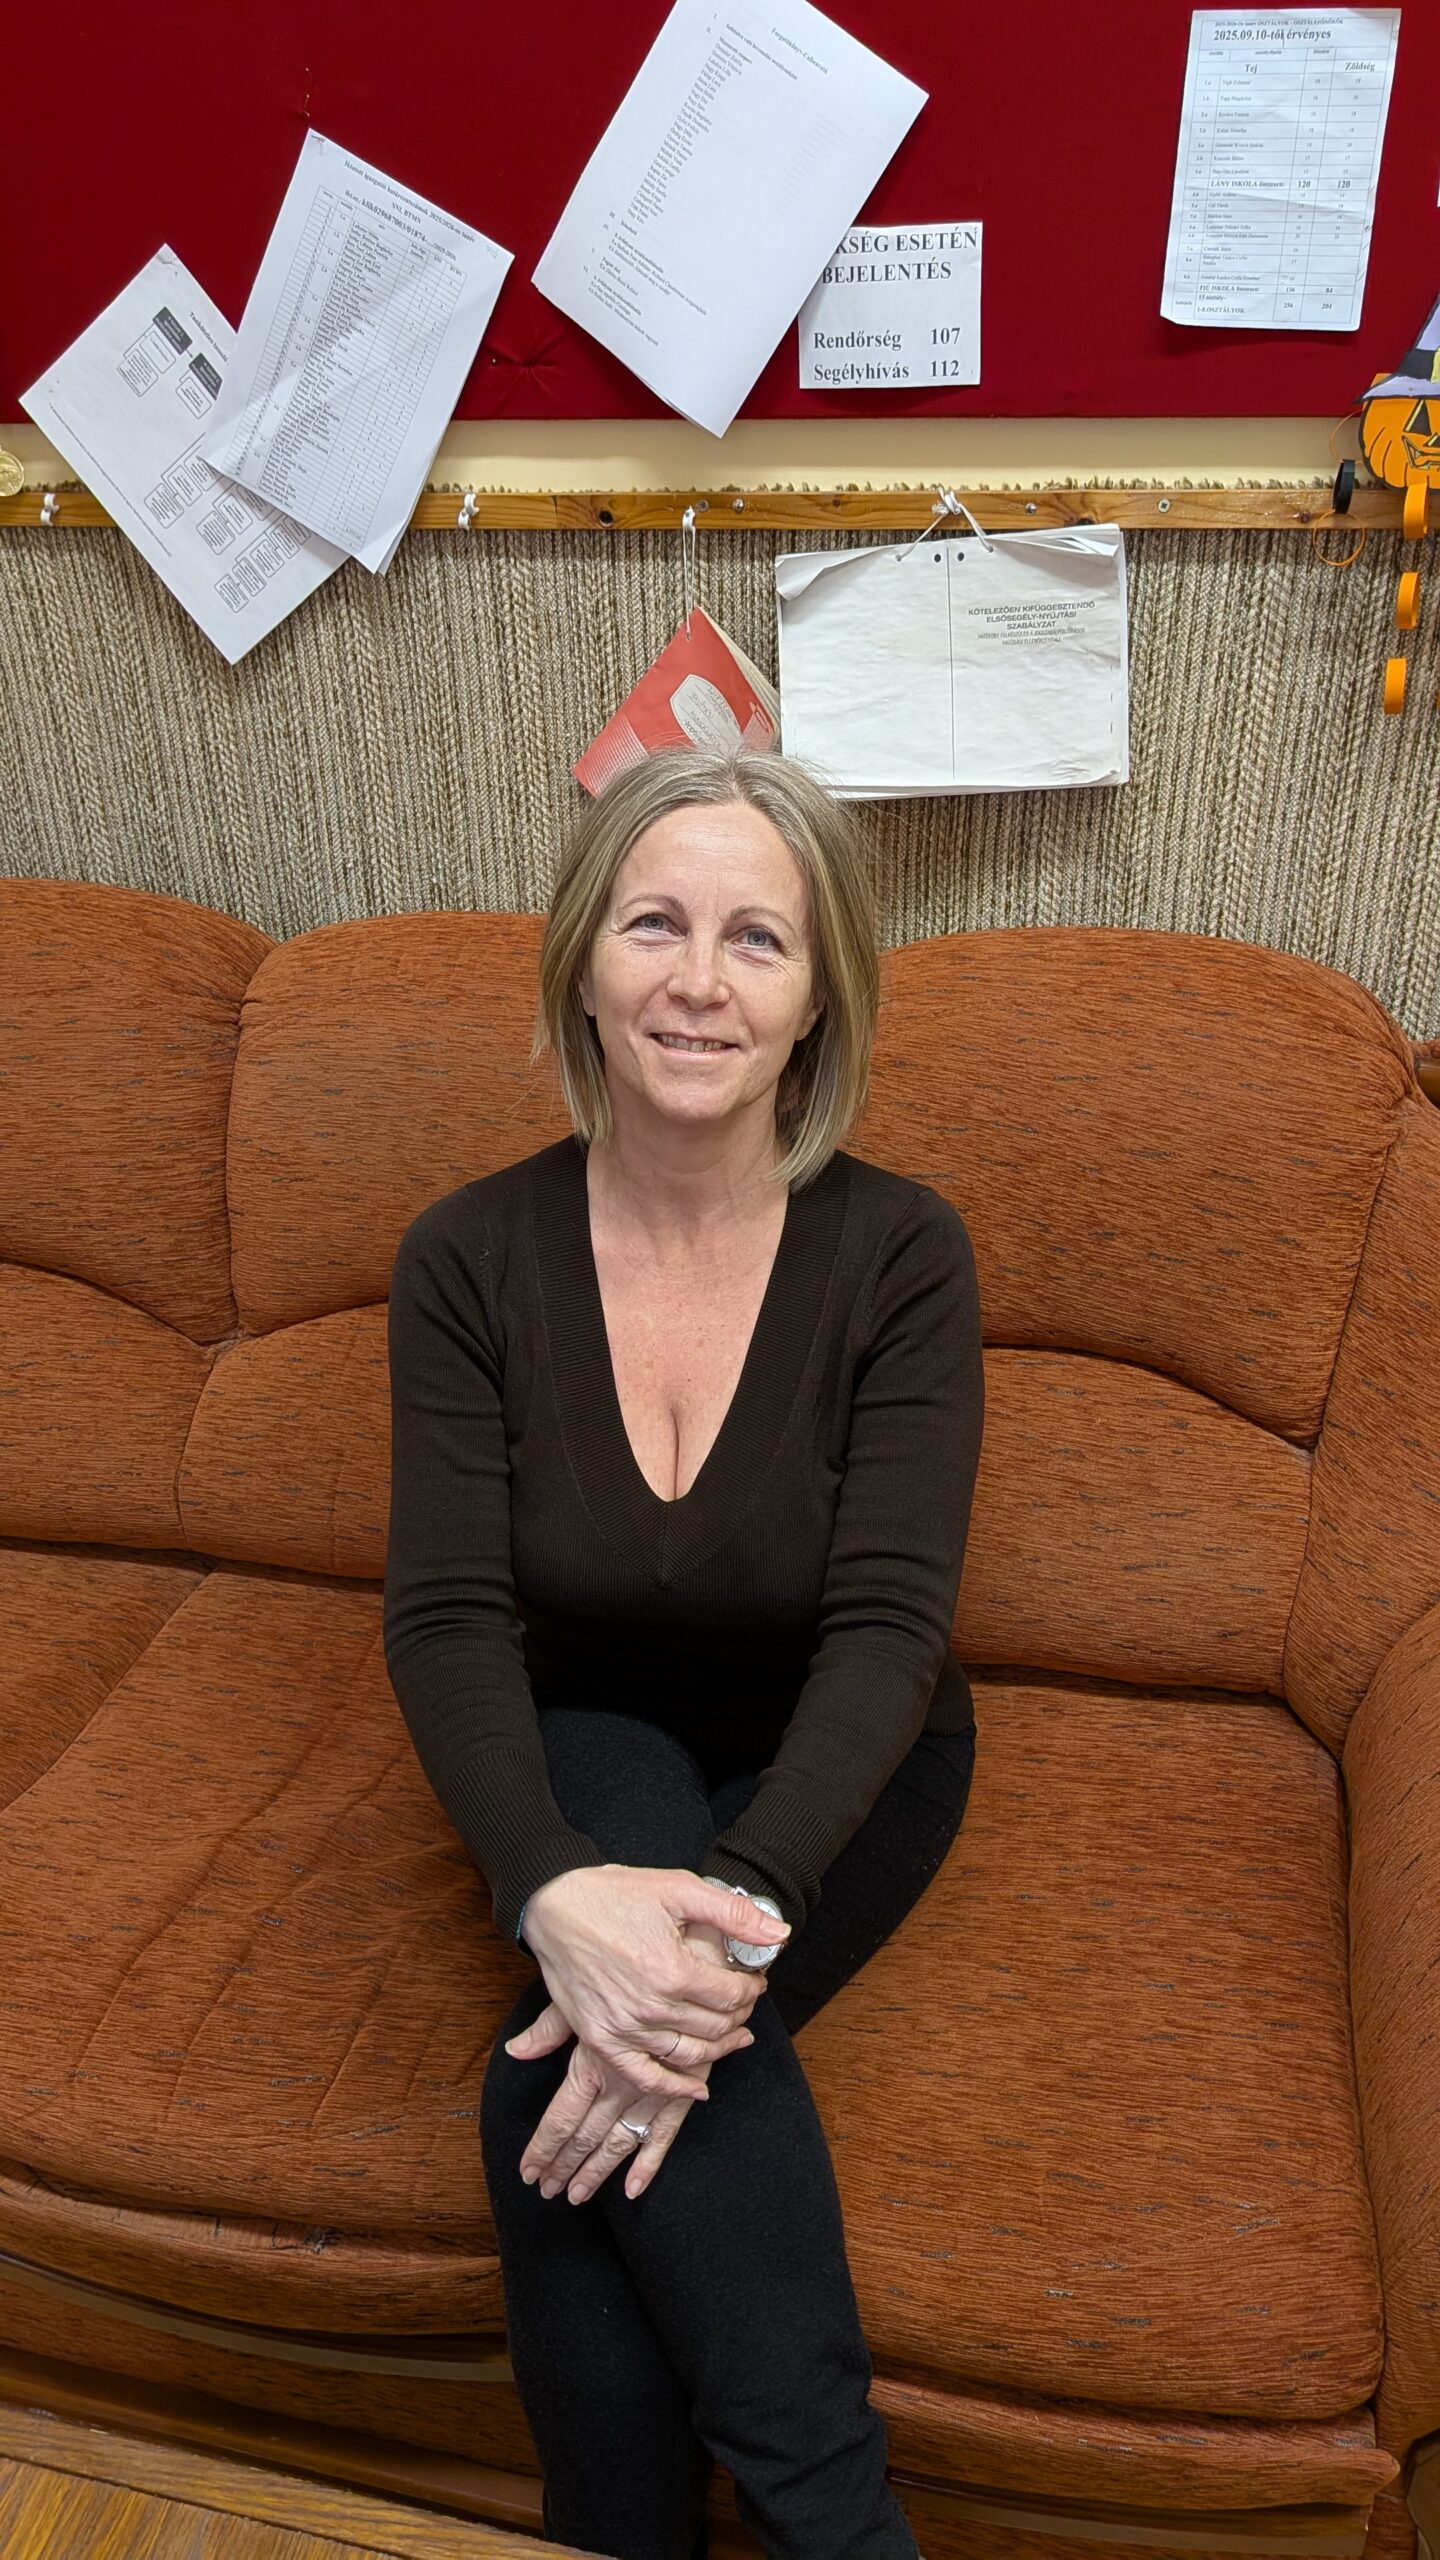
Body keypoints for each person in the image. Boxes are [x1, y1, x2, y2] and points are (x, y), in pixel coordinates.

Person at [382, 747, 984, 2560]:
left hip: (843, 1766)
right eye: (653, 924)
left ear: (818, 1001)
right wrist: (550, 1884)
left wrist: (725, 1930)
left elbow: (890, 1632)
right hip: (592, 1736)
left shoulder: (902, 1253)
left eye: (757, 940)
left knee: (562, 2090)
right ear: (583, 962)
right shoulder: (466, 1257)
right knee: (576, 2053)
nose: (699, 983)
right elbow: (447, 1617)